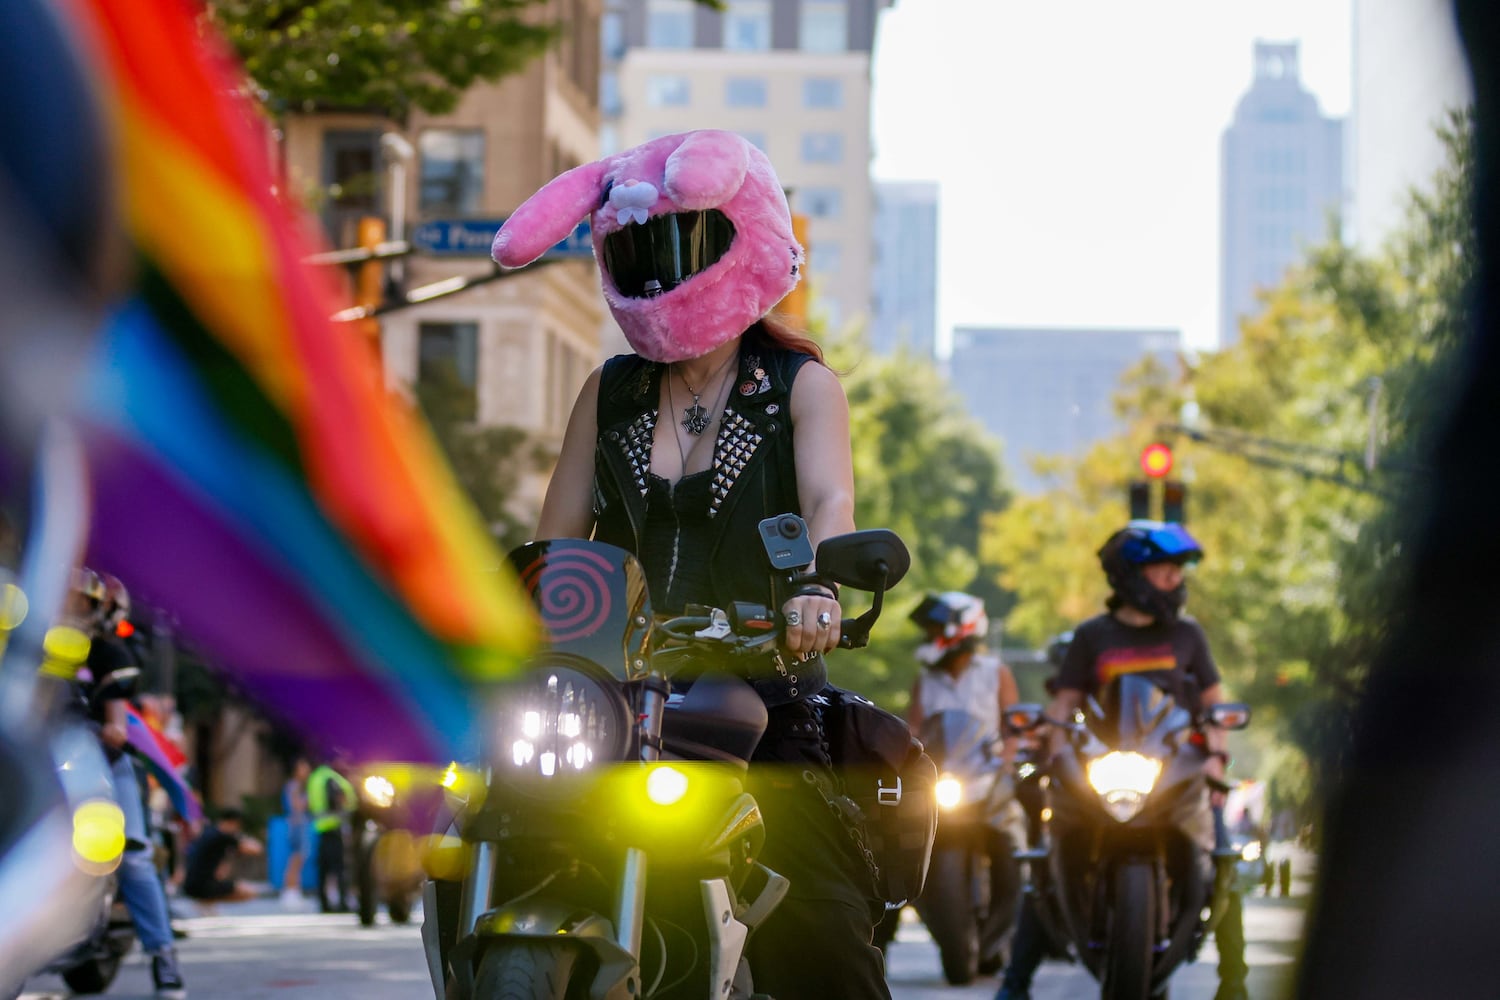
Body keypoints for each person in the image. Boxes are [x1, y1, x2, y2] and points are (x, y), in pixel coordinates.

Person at [496, 129, 887, 999]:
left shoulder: (799, 385)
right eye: (637, 251)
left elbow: (831, 504)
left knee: (821, 924)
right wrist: (509, 613)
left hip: (761, 669)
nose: (659, 270)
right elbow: (558, 536)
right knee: (490, 811)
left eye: (679, 246)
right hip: (614, 683)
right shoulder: (612, 388)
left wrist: (817, 589)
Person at [998, 522, 1248, 1000]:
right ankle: (1016, 983)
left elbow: (1214, 707)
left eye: (1179, 570)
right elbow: (1063, 705)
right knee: (1046, 858)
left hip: (1175, 768)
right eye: (1164, 570)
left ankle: (1233, 981)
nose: (1176, 579)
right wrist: (1046, 745)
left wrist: (1216, 762)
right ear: (1130, 576)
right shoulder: (1092, 636)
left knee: (1222, 856)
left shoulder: (1189, 635)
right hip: (1104, 767)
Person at [64, 568, 188, 998]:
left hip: (101, 762)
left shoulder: (109, 653)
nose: (71, 609)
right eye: (66, 599)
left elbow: (116, 716)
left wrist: (112, 729)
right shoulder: (26, 649)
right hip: (43, 766)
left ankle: (163, 956)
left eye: (81, 602)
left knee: (132, 854)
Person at [901, 592, 1022, 969]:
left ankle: (1021, 911)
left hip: (989, 778)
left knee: (1020, 834)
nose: (931, 636)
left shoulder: (995, 671)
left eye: (938, 629)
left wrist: (1010, 756)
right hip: (944, 783)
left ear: (963, 629)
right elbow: (914, 729)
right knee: (901, 842)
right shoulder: (926, 679)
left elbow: (1014, 724)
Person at [181, 808, 263, 906]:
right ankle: (205, 902)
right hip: (202, 886)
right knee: (250, 892)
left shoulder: (209, 832)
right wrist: (242, 836)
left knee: (222, 874)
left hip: (190, 885)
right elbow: (256, 849)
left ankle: (206, 904)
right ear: (233, 823)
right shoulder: (222, 836)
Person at [306, 757, 354, 913]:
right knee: (339, 867)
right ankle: (343, 903)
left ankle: (324, 903)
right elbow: (336, 799)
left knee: (323, 868)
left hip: (320, 828)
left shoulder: (315, 777)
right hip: (334, 827)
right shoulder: (331, 778)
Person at [280, 756, 312, 909]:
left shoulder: (299, 786)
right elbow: (297, 806)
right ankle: (290, 892)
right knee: (296, 859)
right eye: (303, 768)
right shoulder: (293, 786)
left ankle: (295, 891)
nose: (306, 771)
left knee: (299, 859)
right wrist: (309, 800)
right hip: (297, 825)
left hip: (300, 824)